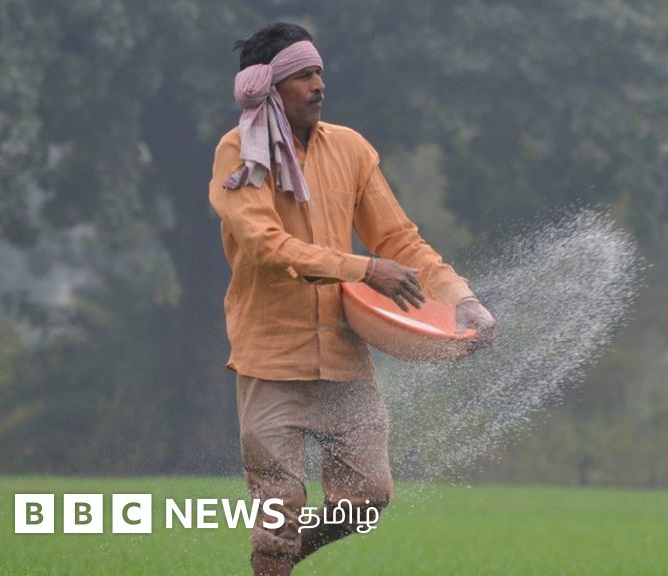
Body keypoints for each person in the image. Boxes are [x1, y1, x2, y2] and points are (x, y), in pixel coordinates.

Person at [207, 22, 496, 576]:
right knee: (277, 516)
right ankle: (274, 554)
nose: (318, 85)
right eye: (303, 76)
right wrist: (363, 269)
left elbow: (400, 241)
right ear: (269, 88)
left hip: (345, 362)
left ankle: (280, 558)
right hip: (271, 365)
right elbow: (267, 247)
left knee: (366, 504)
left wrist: (462, 300)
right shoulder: (238, 153)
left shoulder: (353, 149)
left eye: (319, 72)